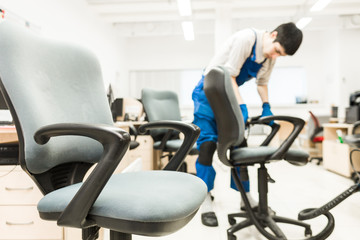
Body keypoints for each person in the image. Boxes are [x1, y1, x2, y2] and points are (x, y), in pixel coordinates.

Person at [192, 22, 303, 227]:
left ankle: (245, 197)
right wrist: (241, 107)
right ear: (273, 35)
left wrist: (266, 105)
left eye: (281, 55)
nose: (275, 56)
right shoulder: (246, 39)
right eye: (277, 50)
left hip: (229, 94)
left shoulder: (269, 57)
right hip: (208, 93)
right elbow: (231, 75)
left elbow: (262, 83)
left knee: (239, 144)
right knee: (207, 145)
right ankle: (205, 198)